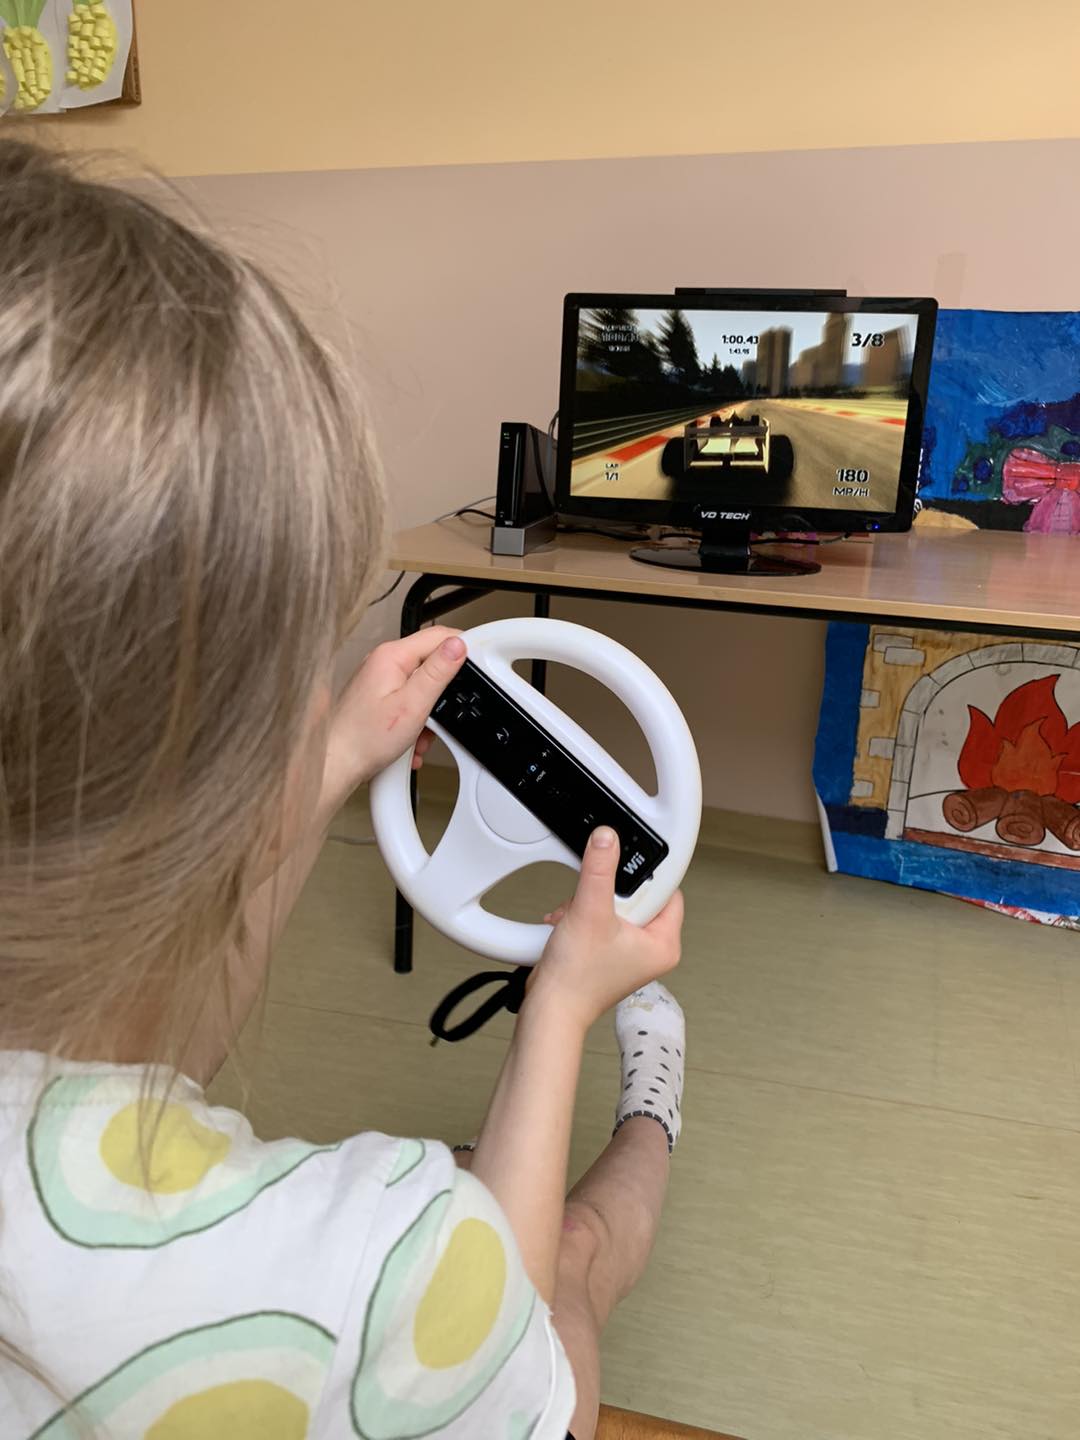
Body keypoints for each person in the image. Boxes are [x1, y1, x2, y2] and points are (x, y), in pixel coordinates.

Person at [0, 138, 687, 1440]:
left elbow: (139, 1056)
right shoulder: (365, 1261)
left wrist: (323, 767)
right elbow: (511, 1383)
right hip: (500, 1379)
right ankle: (651, 1103)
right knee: (571, 1265)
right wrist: (561, 1006)